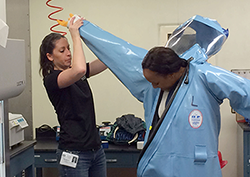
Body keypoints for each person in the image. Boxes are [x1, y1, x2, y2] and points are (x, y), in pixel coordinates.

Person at [58, 14, 250, 176]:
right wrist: (83, 29)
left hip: (196, 167)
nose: (152, 86)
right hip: (159, 167)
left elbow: (244, 92)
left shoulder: (205, 77)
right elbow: (118, 51)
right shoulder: (154, 83)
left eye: (156, 82)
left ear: (173, 73)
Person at [39, 16, 107, 177]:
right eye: (62, 51)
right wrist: (74, 35)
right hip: (74, 152)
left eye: (69, 48)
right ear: (50, 56)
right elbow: (79, 70)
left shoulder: (79, 74)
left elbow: (105, 61)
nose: (69, 53)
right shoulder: (52, 79)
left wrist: (88, 35)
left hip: (96, 150)